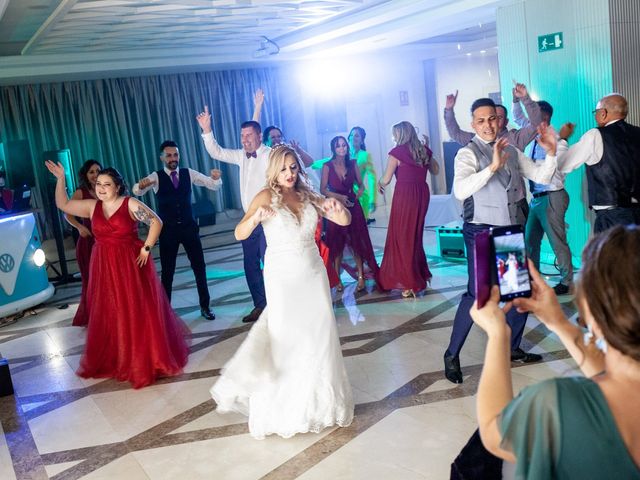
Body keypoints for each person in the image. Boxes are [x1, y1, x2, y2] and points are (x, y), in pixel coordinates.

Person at [470, 225, 640, 479]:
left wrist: (498, 335)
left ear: (592, 314)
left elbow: (495, 433)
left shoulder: (557, 404)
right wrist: (558, 322)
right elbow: (621, 376)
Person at [210, 145, 354, 439]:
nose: (290, 173)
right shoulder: (265, 196)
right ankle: (286, 408)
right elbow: (240, 232)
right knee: (287, 340)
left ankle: (322, 408)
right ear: (274, 169)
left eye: (293, 167)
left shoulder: (308, 194)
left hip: (313, 275)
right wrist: (253, 218)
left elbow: (344, 220)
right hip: (282, 278)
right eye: (284, 168)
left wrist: (339, 211)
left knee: (319, 337)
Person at [44, 161, 189, 389]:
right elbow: (63, 204)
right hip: (104, 264)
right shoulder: (92, 206)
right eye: (99, 183)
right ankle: (119, 356)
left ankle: (143, 358)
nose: (101, 188)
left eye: (107, 184)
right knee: (112, 310)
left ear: (117, 187)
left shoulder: (129, 203)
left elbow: (156, 222)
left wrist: (146, 247)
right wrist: (61, 178)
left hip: (129, 264)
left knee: (134, 310)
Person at [444, 97, 559, 384]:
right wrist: (492, 168)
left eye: (492, 119)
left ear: (500, 120)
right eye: (481, 120)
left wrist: (552, 153)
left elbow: (542, 174)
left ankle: (512, 348)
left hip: (509, 230)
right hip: (480, 231)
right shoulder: (467, 154)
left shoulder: (512, 151)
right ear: (473, 124)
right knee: (477, 296)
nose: (488, 125)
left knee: (517, 292)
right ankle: (451, 354)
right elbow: (460, 190)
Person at [197, 105, 270, 323]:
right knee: (250, 265)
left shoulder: (271, 155)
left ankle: (279, 304)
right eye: (242, 136)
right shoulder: (240, 156)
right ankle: (260, 305)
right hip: (249, 220)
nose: (244, 139)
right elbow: (216, 151)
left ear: (259, 135)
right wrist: (207, 130)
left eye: (249, 135)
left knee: (271, 262)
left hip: (269, 220)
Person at [132, 140, 221, 320]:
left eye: (176, 155)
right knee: (168, 272)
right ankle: (165, 312)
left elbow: (211, 184)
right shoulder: (156, 177)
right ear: (162, 157)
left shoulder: (189, 173)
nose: (173, 158)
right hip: (168, 232)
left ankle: (205, 306)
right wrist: (139, 186)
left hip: (189, 228)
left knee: (199, 268)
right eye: (169, 155)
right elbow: (137, 191)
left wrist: (216, 178)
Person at [515, 100, 575, 295]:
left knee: (557, 241)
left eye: (535, 114)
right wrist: (517, 100)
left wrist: (560, 142)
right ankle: (534, 279)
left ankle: (566, 281)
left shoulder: (556, 139)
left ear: (545, 117)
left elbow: (555, 167)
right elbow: (518, 116)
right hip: (536, 197)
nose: (531, 118)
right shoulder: (534, 136)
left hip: (553, 195)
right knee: (530, 240)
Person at [558, 93, 640, 233]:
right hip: (637, 213)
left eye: (596, 112)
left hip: (611, 218)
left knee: (610, 255)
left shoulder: (596, 135)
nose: (595, 116)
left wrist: (563, 139)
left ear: (603, 113)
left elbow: (563, 164)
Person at [377, 121, 439, 297]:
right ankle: (417, 276)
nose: (393, 137)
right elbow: (436, 170)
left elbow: (387, 179)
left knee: (403, 236)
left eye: (394, 134)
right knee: (414, 236)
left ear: (400, 135)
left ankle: (408, 283)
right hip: (421, 194)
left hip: (405, 195)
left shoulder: (396, 152)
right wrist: (428, 149)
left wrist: (379, 184)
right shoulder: (424, 151)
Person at [320, 135, 379, 292]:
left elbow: (361, 186)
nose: (342, 148)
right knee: (336, 244)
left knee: (357, 242)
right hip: (336, 208)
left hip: (353, 206)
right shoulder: (327, 166)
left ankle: (361, 276)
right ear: (333, 148)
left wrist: (358, 193)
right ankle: (337, 278)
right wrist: (339, 197)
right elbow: (323, 189)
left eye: (344, 145)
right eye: (338, 146)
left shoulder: (352, 164)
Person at [444, 83, 542, 151]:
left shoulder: (515, 138)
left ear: (506, 122)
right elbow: (455, 133)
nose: (491, 123)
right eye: (490, 118)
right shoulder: (476, 140)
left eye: (498, 118)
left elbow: (537, 125)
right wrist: (449, 110)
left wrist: (525, 98)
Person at [65, 159, 102, 326]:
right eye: (91, 172)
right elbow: (67, 213)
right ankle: (92, 316)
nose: (95, 175)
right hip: (88, 243)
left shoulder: (105, 189)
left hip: (104, 241)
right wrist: (79, 227)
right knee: (91, 280)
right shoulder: (81, 192)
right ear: (86, 175)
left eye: (97, 171)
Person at [349, 126, 377, 224]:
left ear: (361, 141)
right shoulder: (343, 154)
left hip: (360, 197)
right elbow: (327, 161)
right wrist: (311, 164)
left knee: (361, 232)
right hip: (345, 197)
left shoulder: (365, 155)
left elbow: (372, 177)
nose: (353, 138)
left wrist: (373, 199)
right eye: (351, 135)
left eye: (356, 136)